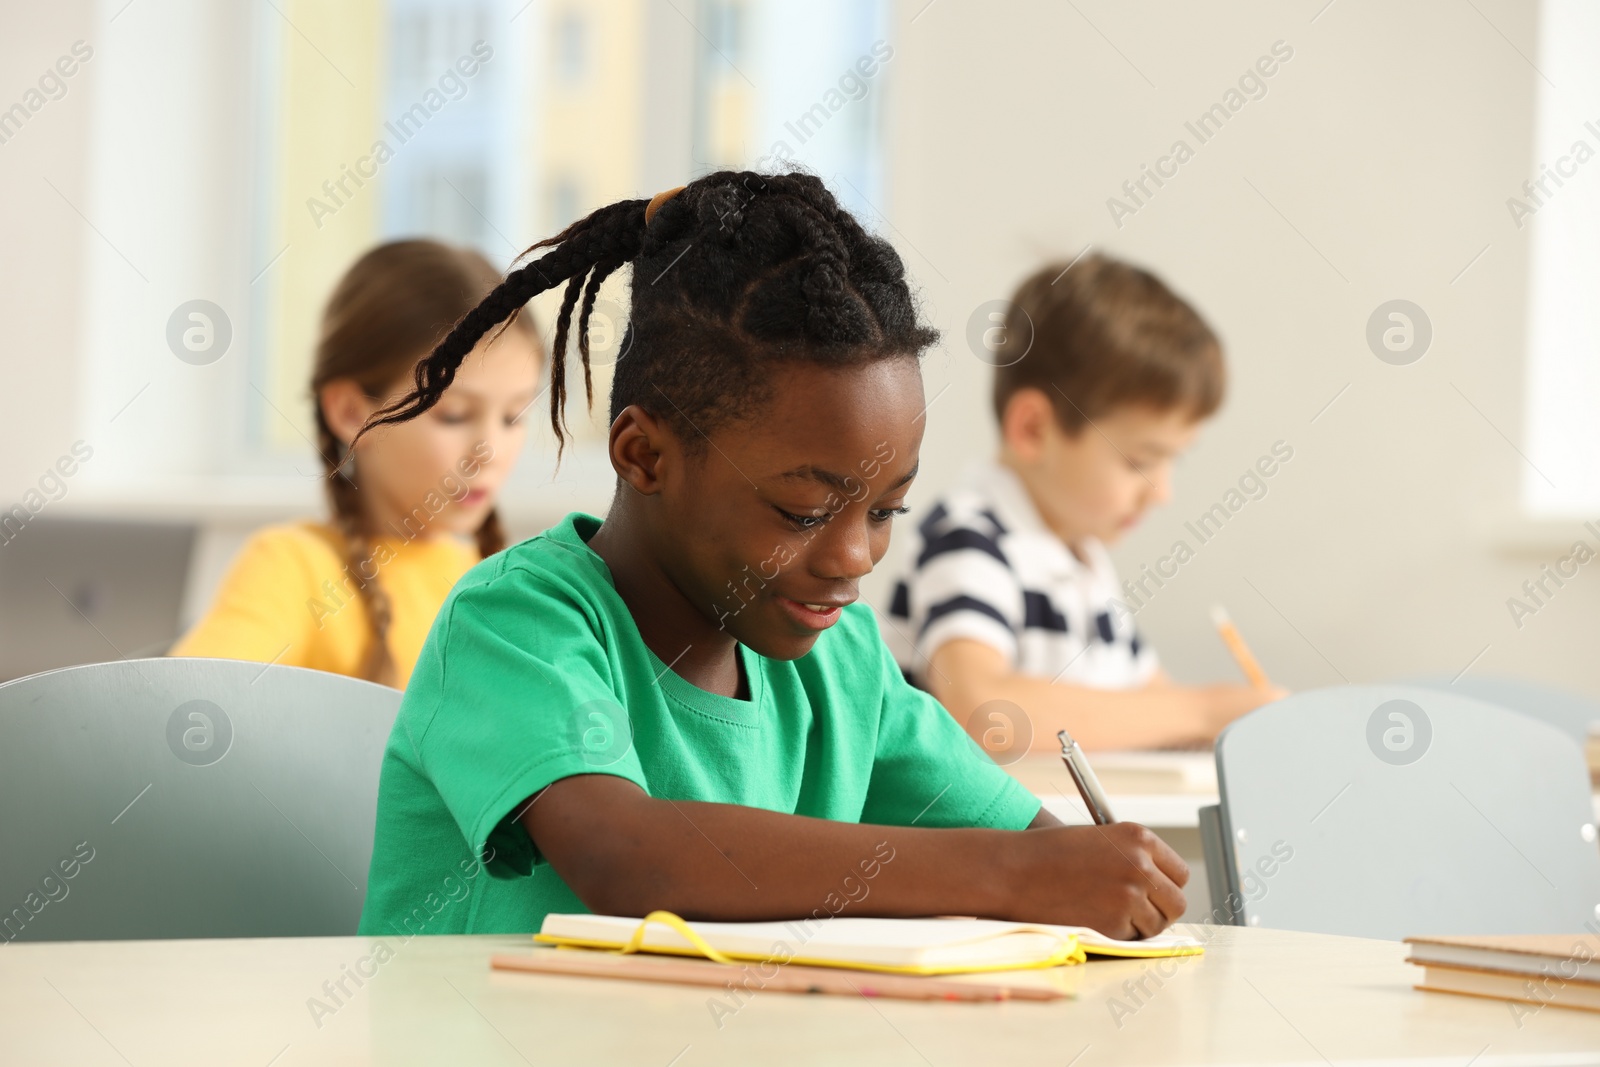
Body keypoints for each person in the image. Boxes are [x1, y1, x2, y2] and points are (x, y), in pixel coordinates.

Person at [357, 173, 1187, 941]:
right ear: (645, 456)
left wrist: (1102, 878)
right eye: (803, 510)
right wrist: (1013, 875)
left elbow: (1035, 848)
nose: (855, 557)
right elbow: (628, 856)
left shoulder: (843, 664)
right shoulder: (513, 624)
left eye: (886, 510)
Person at [883, 255, 1285, 750]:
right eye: (1141, 460)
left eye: (1171, 462)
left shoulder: (1084, 562)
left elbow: (1149, 707)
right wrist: (1201, 712)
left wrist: (1229, 724)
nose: (1162, 493)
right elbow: (984, 711)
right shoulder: (967, 537)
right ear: (1034, 429)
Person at [170, 240, 542, 687]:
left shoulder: (502, 588)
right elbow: (174, 710)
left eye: (513, 416)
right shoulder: (294, 570)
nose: (491, 451)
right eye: (454, 415)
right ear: (351, 413)